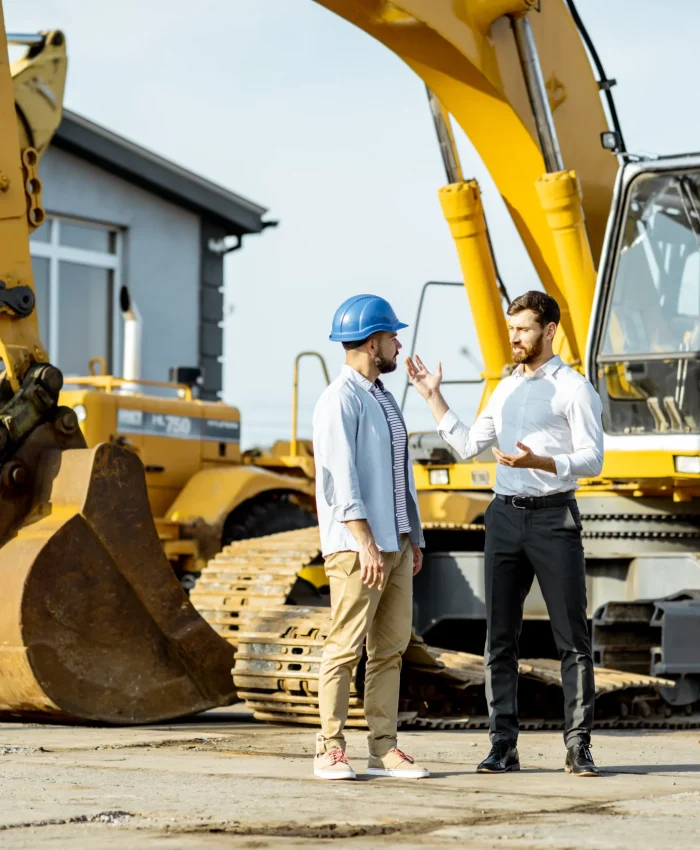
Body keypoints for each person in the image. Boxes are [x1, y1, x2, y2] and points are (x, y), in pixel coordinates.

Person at [406, 291, 604, 778]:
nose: (513, 337)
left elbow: (594, 459)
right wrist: (433, 395)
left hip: (555, 519)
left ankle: (578, 746)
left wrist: (541, 461)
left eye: (523, 329)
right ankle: (503, 746)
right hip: (504, 517)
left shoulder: (575, 389)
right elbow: (470, 445)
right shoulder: (504, 388)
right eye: (511, 328)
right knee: (499, 638)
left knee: (572, 640)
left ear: (550, 330)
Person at [312, 294, 429, 781]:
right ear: (371, 341)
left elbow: (399, 475)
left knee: (390, 649)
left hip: (395, 543)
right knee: (345, 646)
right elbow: (341, 479)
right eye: (392, 336)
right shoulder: (339, 399)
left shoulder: (381, 396)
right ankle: (328, 748)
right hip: (358, 546)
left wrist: (413, 537)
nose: (399, 344)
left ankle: (383, 747)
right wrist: (363, 541)